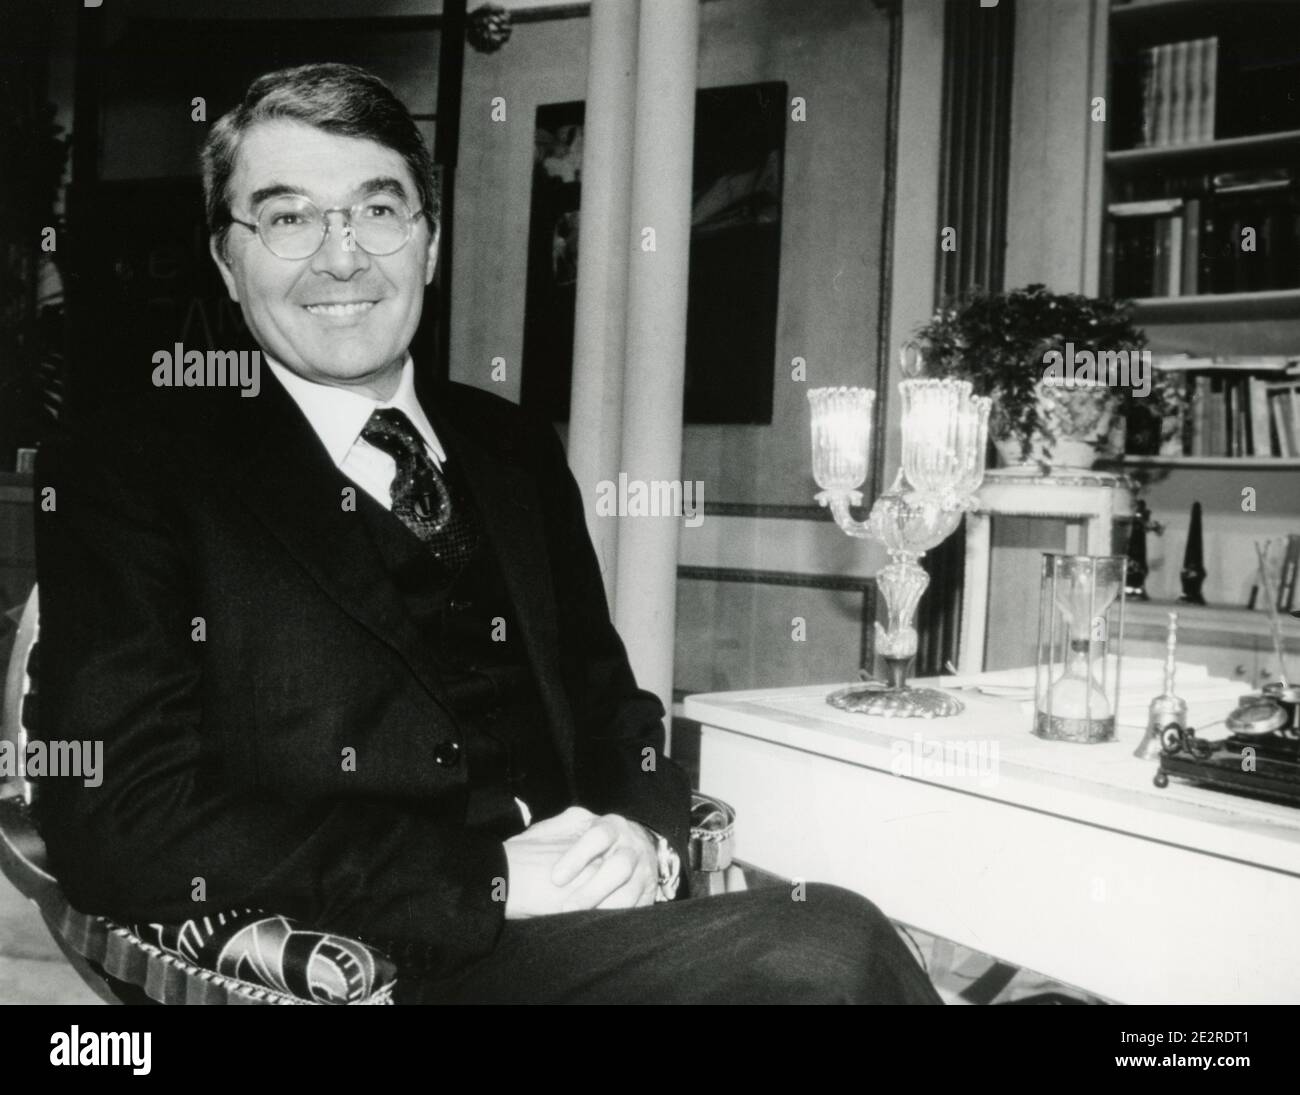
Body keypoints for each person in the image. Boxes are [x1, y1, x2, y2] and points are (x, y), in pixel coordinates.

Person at [33, 63, 940, 1004]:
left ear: (428, 242)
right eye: (289, 217)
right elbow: (121, 816)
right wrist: (492, 881)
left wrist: (641, 838)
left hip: (598, 935)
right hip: (379, 967)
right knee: (831, 951)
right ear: (227, 261)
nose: (341, 258)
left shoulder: (509, 446)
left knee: (838, 940)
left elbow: (612, 710)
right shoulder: (134, 468)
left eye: (379, 211)